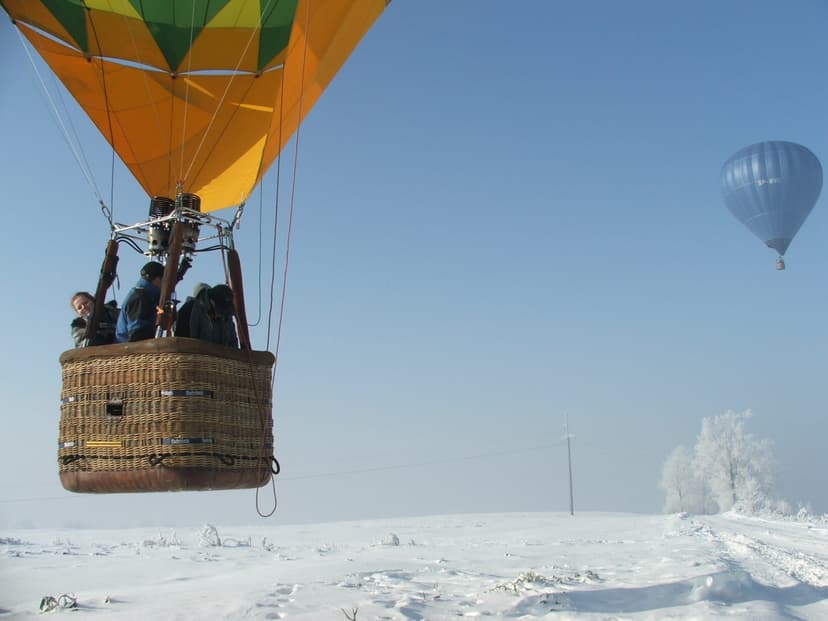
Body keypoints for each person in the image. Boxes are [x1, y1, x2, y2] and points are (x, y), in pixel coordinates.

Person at [115, 261, 165, 343]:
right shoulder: (141, 298)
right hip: (131, 351)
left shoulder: (143, 295)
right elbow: (137, 335)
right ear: (157, 279)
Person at [189, 283, 239, 348]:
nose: (222, 315)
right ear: (212, 301)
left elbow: (233, 343)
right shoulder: (193, 311)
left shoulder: (227, 316)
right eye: (220, 311)